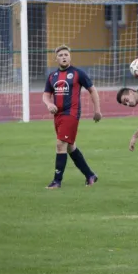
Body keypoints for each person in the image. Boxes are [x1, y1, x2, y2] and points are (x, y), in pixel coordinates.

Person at [43, 45, 102, 189]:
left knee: (60, 145)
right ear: (56, 58)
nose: (64, 57)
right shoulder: (52, 76)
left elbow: (92, 90)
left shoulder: (78, 73)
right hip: (58, 116)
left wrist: (97, 110)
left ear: (70, 57)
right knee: (70, 147)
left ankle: (57, 181)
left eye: (66, 55)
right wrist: (49, 104)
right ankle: (90, 175)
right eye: (61, 55)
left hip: (72, 114)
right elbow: (46, 95)